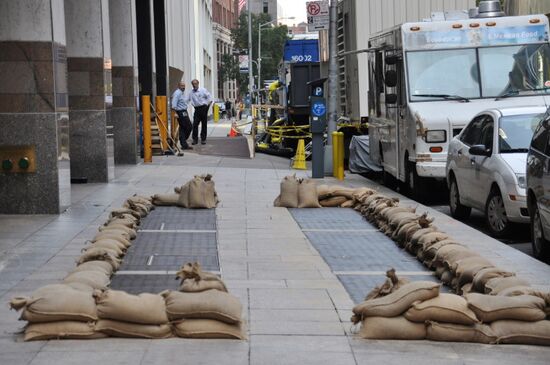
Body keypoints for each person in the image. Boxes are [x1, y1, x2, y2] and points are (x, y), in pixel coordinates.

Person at [190, 79, 212, 145]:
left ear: (198, 83)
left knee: (204, 124)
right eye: (193, 84)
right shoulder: (191, 92)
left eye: (195, 84)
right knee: (195, 125)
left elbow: (210, 98)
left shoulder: (203, 90)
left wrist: (207, 107)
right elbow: (188, 100)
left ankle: (203, 139)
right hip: (197, 109)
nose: (194, 85)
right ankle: (195, 139)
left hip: (203, 108)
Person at [171, 81, 192, 150]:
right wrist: (175, 113)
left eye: (184, 85)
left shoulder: (181, 93)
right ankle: (183, 140)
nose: (183, 87)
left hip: (184, 111)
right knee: (188, 126)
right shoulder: (177, 93)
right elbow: (174, 103)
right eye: (182, 85)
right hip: (180, 112)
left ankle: (184, 143)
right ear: (178, 86)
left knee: (183, 127)